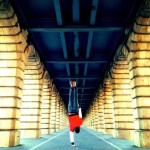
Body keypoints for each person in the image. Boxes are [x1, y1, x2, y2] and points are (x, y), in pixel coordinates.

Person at [68, 80, 83, 147]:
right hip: (70, 111)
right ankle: (71, 86)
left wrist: (79, 108)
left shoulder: (80, 123)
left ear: (79, 128)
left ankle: (75, 86)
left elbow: (80, 115)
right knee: (70, 98)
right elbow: (71, 135)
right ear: (75, 129)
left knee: (75, 98)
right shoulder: (72, 128)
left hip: (76, 110)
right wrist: (72, 143)